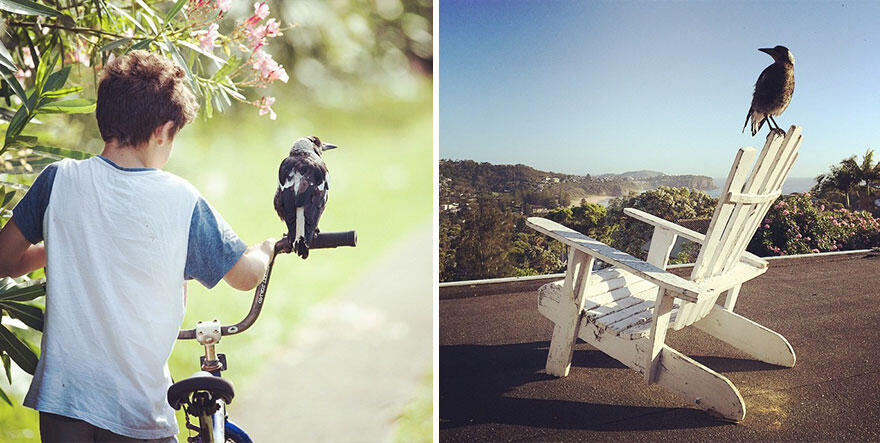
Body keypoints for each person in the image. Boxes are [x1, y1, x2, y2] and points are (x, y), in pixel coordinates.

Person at [0, 50, 274, 442]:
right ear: (163, 131)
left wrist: (64, 244)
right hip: (137, 410)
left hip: (63, 404)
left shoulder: (58, 180)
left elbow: (5, 260)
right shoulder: (181, 199)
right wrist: (266, 250)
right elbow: (245, 277)